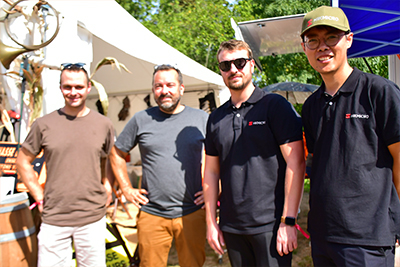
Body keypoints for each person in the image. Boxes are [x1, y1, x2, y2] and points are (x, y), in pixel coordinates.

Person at [301, 6, 400, 266]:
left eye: (331, 37)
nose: (322, 47)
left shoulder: (380, 92)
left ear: (349, 39)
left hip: (368, 238)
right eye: (313, 40)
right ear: (305, 47)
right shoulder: (311, 105)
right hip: (323, 235)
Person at [203, 39, 306, 267]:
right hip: (232, 226)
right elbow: (210, 171)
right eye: (225, 65)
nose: (233, 70)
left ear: (252, 65)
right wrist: (211, 222)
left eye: (239, 62)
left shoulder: (275, 106)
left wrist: (288, 221)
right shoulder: (216, 118)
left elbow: (296, 163)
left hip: (270, 224)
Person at [109, 64, 208, 267]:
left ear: (181, 88)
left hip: (192, 211)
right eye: (158, 86)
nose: (164, 91)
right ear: (153, 90)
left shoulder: (201, 119)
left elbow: (220, 156)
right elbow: (116, 152)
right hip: (152, 213)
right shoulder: (141, 119)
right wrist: (126, 189)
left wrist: (215, 189)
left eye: (170, 85)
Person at [16, 63, 115, 267]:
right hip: (54, 216)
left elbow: (108, 158)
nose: (73, 92)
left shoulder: (104, 124)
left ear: (89, 87)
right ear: (60, 88)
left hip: (92, 216)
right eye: (67, 87)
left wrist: (107, 186)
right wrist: (39, 195)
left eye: (78, 87)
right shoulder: (44, 124)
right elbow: (22, 161)